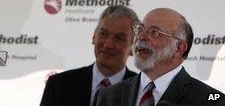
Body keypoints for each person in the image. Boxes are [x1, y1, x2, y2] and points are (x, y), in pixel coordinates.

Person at [93, 8, 225, 106]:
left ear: (179, 48)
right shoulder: (107, 96)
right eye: (140, 29)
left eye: (154, 32)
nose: (141, 37)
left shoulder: (211, 101)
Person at [40, 5, 140, 106]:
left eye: (119, 38)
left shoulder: (142, 90)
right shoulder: (58, 85)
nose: (108, 44)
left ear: (134, 47)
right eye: (103, 34)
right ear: (94, 37)